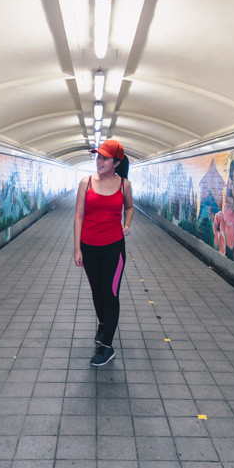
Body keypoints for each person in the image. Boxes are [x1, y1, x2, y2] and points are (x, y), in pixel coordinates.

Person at [74, 139, 133, 367]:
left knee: (110, 294)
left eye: (105, 158)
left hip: (113, 248)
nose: (99, 161)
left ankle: (107, 347)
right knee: (97, 293)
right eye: (98, 157)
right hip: (89, 248)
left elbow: (129, 207)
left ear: (116, 162)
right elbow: (78, 216)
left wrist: (126, 224)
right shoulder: (86, 183)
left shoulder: (124, 185)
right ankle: (103, 325)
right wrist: (77, 249)